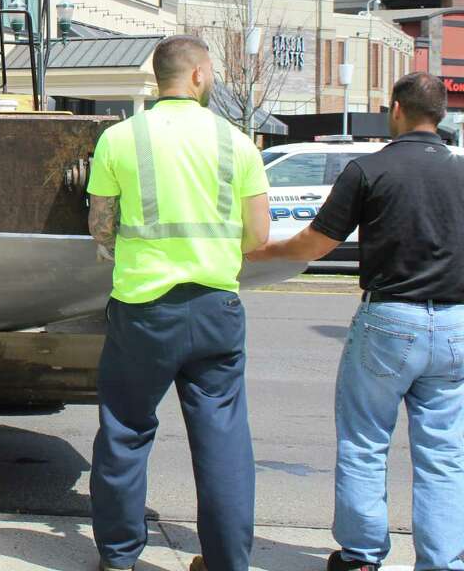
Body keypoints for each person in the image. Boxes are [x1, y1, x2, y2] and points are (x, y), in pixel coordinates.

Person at [248, 73, 464, 571]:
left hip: (390, 319)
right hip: (453, 323)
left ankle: (363, 557)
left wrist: (260, 252)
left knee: (366, 442)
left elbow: (315, 245)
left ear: (396, 110)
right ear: (443, 115)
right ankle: (442, 561)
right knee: (444, 452)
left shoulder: (367, 171)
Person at [86, 35, 271, 571]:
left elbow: (101, 228)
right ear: (198, 75)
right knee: (223, 441)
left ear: (156, 76)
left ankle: (120, 560)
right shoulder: (237, 143)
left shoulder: (119, 139)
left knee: (125, 430)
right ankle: (226, 563)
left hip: (143, 309)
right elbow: (258, 237)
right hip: (216, 307)